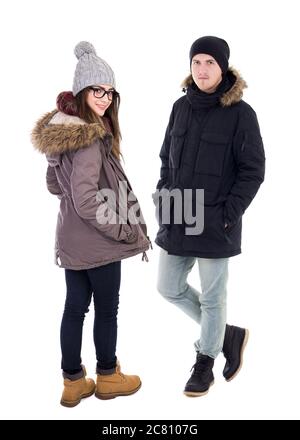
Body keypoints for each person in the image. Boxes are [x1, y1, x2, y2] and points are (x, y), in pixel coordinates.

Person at [32, 41, 150, 407]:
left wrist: (69, 182)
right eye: (97, 90)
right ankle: (109, 375)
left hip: (71, 240)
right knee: (107, 309)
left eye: (110, 91)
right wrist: (123, 229)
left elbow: (56, 186)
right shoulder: (88, 138)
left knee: (74, 307)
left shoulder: (65, 133)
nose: (105, 98)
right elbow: (85, 200)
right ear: (82, 91)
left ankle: (72, 382)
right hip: (99, 242)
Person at [153, 36, 265, 397]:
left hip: (217, 221)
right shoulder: (179, 107)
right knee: (168, 287)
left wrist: (229, 215)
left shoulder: (241, 114)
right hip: (178, 215)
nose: (202, 70)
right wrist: (164, 200)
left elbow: (252, 170)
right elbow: (165, 159)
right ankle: (227, 333)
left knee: (214, 298)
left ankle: (206, 362)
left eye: (210, 63)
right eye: (197, 62)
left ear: (223, 67)